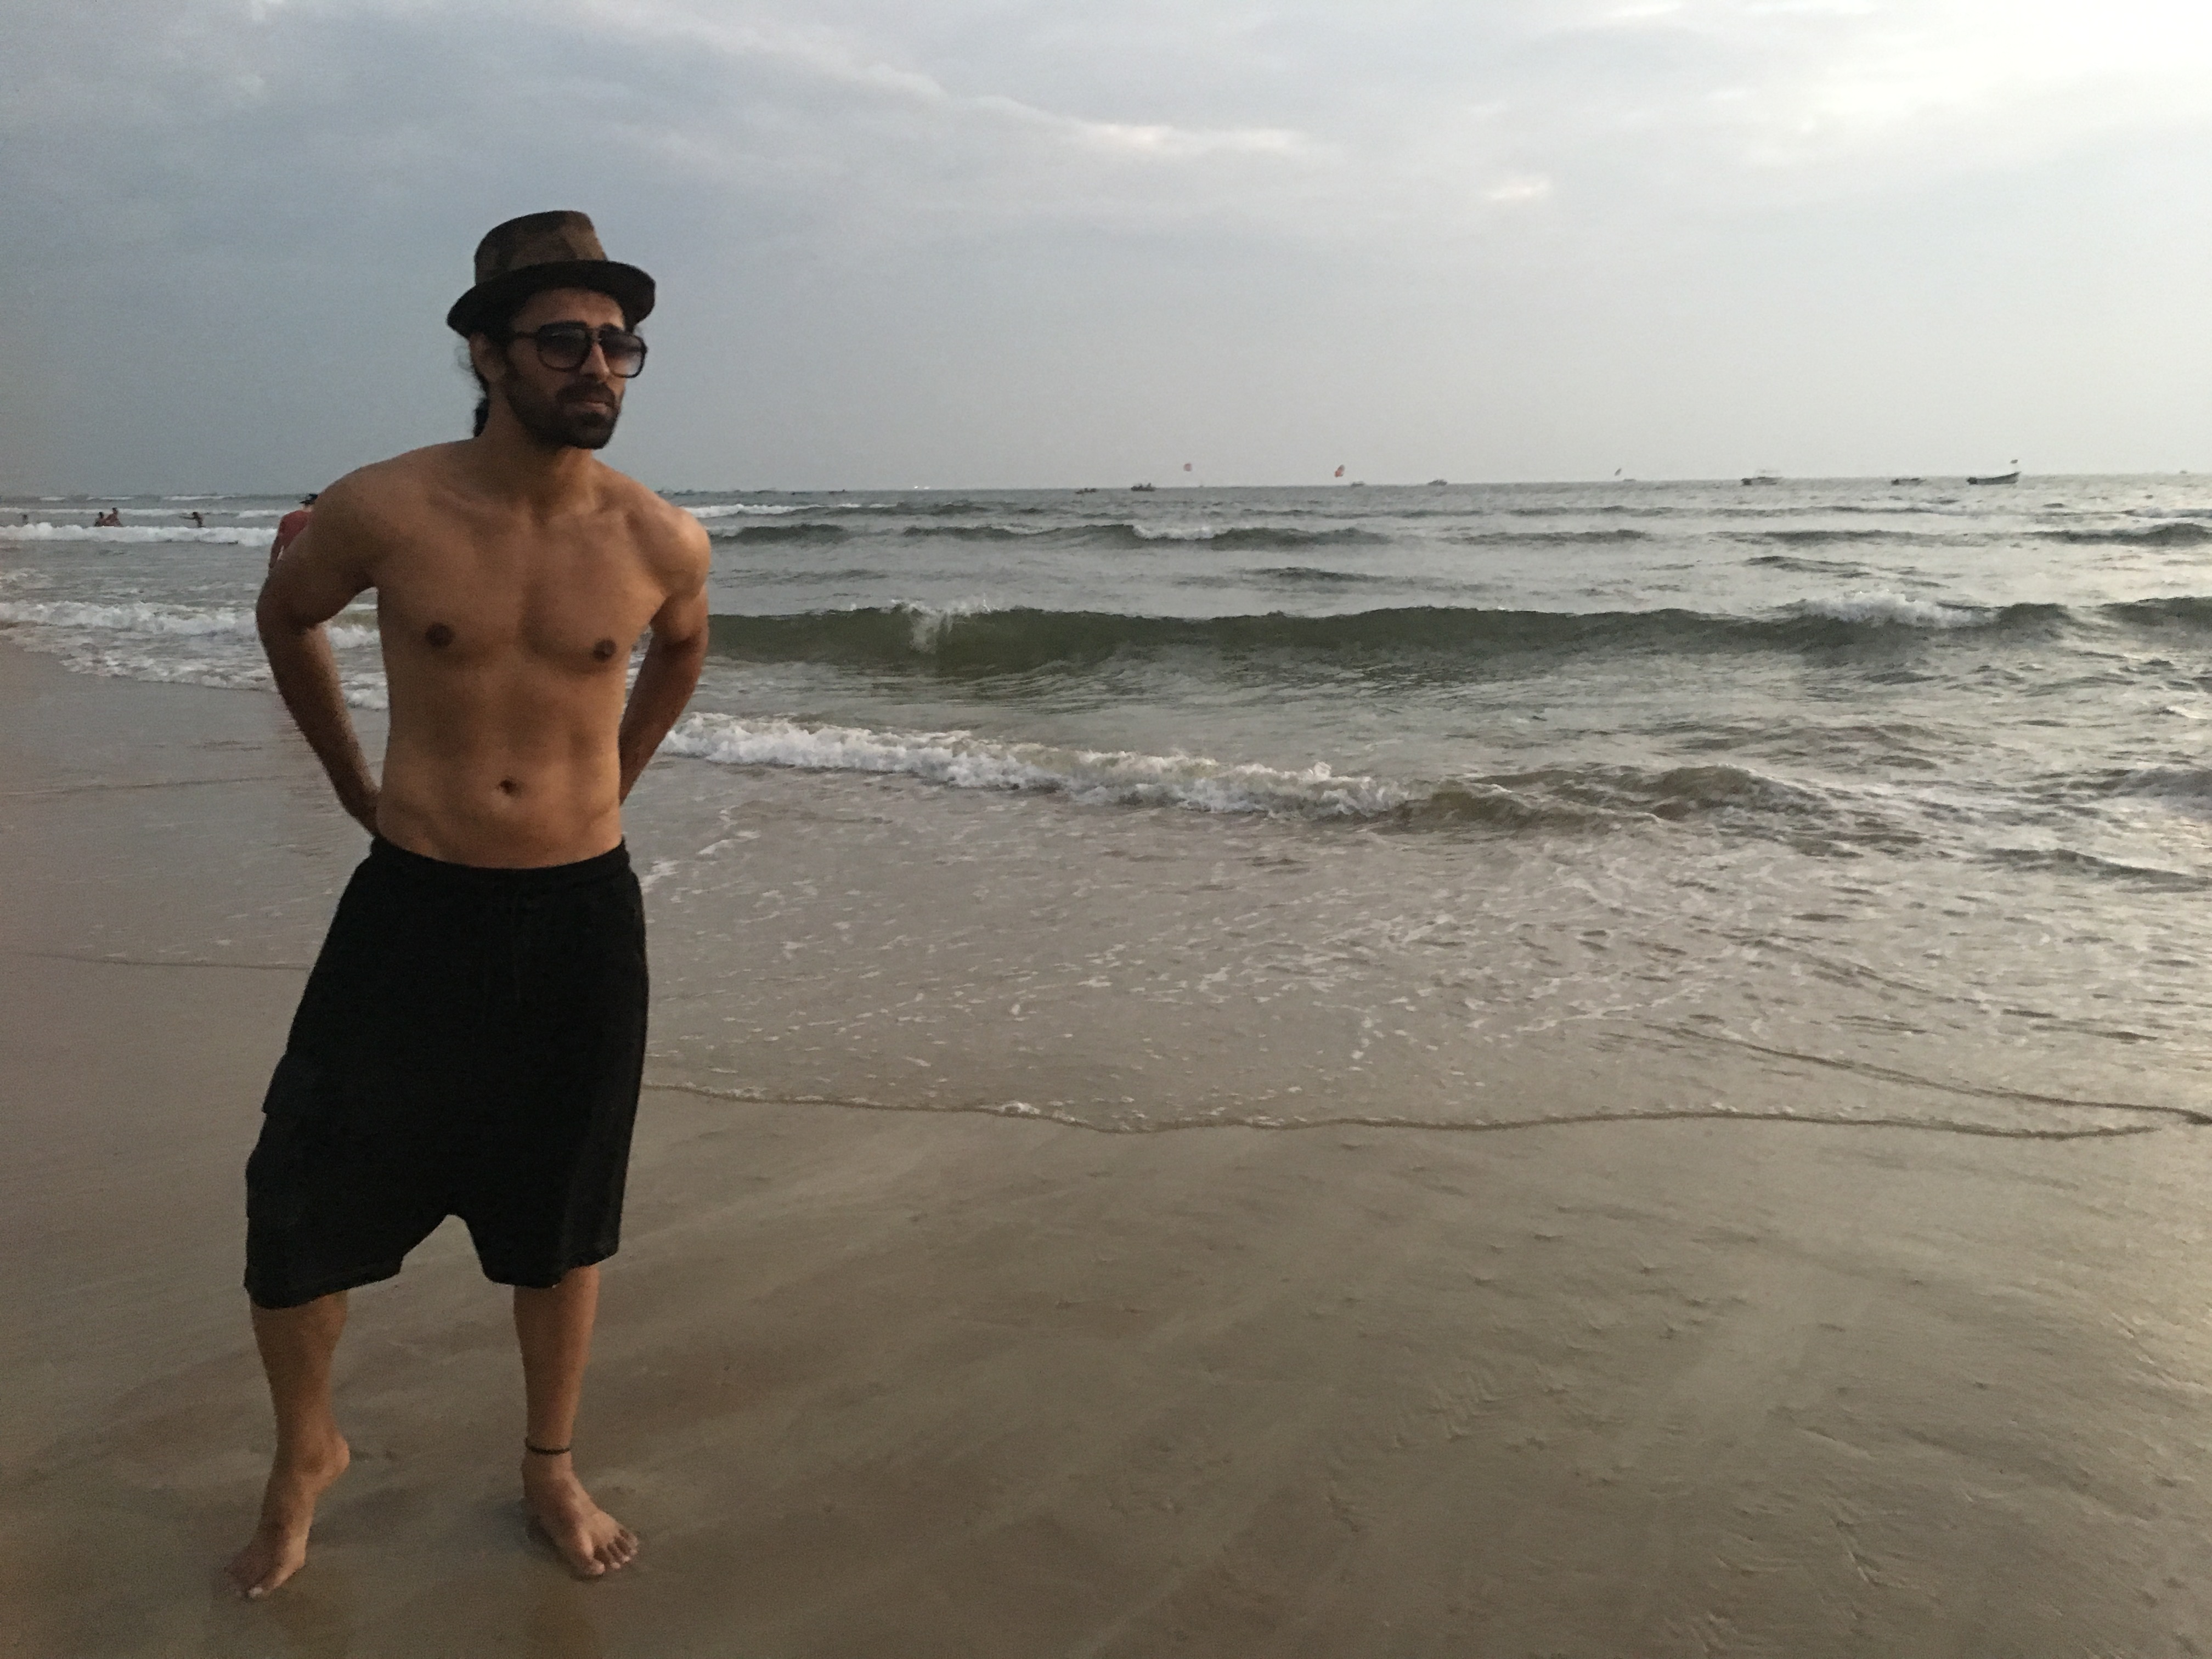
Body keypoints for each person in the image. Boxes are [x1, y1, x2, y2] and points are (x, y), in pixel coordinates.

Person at [226, 211, 710, 1600]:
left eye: (619, 345)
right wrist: (353, 785)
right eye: (565, 341)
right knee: (297, 1202)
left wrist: (610, 783)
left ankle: (551, 1465)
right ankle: (305, 1455)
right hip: (414, 906)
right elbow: (287, 614)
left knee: (561, 1215)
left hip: (579, 921)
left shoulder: (661, 538)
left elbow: (679, 654)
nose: (599, 368)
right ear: (487, 354)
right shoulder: (386, 508)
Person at [267, 494, 318, 572]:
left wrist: (272, 564)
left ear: (305, 504)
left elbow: (278, 542)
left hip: (287, 561)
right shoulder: (316, 520)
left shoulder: (287, 518)